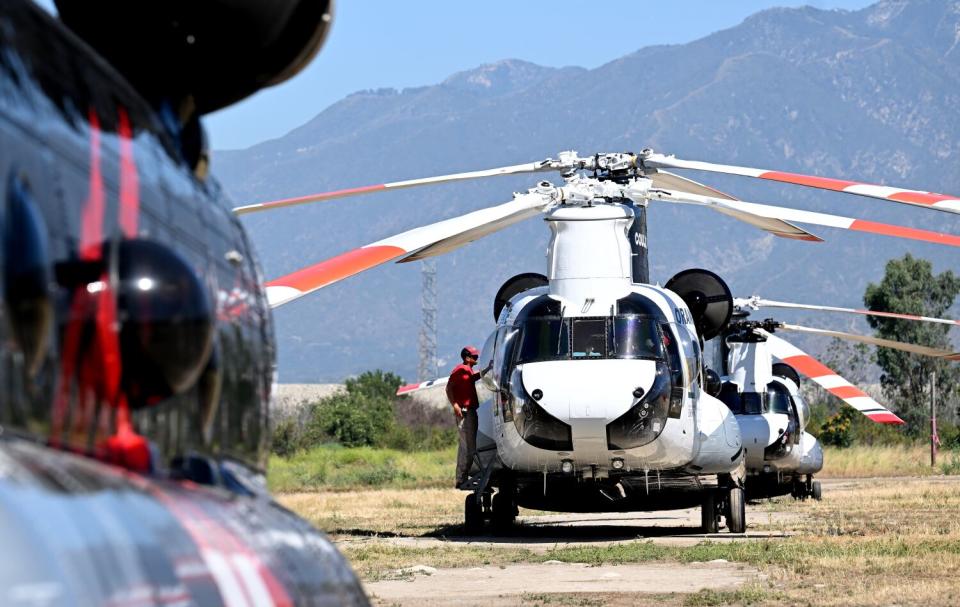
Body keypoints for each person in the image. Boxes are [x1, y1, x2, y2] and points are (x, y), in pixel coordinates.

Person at [446, 345, 485, 488]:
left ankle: (466, 476)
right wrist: (455, 405)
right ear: (467, 358)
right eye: (475, 357)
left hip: (471, 411)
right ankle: (461, 478)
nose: (477, 358)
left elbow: (471, 379)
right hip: (464, 411)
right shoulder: (460, 370)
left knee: (470, 446)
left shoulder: (468, 371)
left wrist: (485, 371)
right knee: (467, 447)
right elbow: (449, 387)